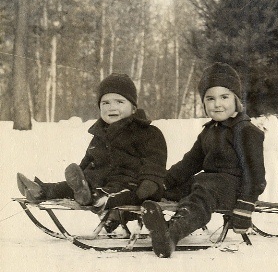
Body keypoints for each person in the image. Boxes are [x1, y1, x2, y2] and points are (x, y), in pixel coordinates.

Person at [17, 73, 175, 232]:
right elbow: (89, 159)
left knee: (109, 194)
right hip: (98, 181)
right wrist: (79, 178)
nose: (111, 107)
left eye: (119, 102)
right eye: (105, 103)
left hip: (131, 184)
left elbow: (155, 161)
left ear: (133, 107)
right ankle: (41, 190)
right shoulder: (100, 135)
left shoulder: (148, 133)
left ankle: (91, 197)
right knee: (69, 187)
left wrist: (149, 184)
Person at [141, 62, 266, 258]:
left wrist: (245, 205)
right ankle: (155, 221)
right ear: (204, 103)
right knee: (176, 189)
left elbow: (255, 174)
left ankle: (171, 234)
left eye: (224, 97)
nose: (217, 104)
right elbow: (190, 162)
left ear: (236, 100)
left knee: (201, 196)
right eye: (210, 98)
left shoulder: (245, 131)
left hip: (232, 188)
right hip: (207, 182)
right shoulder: (209, 131)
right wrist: (163, 182)